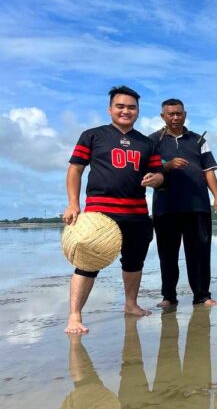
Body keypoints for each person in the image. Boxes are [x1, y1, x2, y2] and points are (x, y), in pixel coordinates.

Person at [62, 85, 164, 334]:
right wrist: (74, 204)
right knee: (87, 263)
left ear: (138, 112)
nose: (126, 111)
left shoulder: (146, 143)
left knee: (134, 262)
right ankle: (74, 316)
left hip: (137, 213)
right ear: (110, 109)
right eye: (120, 106)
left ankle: (131, 304)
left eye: (131, 107)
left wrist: (155, 179)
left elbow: (160, 176)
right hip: (100, 214)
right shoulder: (93, 135)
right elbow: (75, 169)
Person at [149, 98, 217, 308]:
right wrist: (168, 166)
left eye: (179, 113)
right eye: (170, 114)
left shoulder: (198, 140)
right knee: (167, 254)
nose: (175, 117)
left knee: (199, 253)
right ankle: (169, 296)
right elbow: (149, 172)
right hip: (165, 207)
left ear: (185, 114)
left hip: (197, 206)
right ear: (163, 116)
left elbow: (208, 170)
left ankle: (202, 295)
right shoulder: (153, 141)